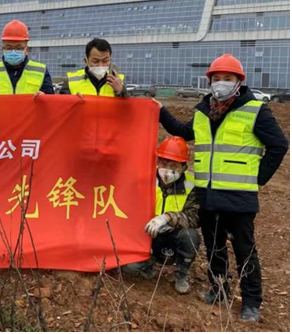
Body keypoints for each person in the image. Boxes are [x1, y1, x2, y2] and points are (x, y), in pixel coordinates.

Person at [156, 53, 288, 322]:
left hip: (239, 196)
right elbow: (183, 131)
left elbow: (279, 145)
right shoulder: (203, 111)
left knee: (244, 250)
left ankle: (251, 302)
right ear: (210, 81)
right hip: (207, 194)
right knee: (214, 248)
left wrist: (258, 178)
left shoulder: (255, 110)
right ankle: (219, 291)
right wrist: (160, 111)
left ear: (239, 81)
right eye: (216, 78)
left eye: (227, 78)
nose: (221, 83)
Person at [122, 136, 200, 294]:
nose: (167, 170)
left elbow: (194, 217)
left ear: (183, 167)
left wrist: (167, 218)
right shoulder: (146, 180)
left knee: (190, 236)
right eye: (164, 163)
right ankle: (148, 262)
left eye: (174, 166)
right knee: (129, 268)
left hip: (174, 235)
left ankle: (181, 275)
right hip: (147, 234)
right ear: (157, 162)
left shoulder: (191, 185)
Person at [0, 20, 54, 97]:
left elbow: (51, 99)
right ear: (3, 49)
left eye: (18, 48)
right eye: (9, 48)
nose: (13, 52)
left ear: (26, 50)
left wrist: (44, 96)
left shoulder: (41, 70)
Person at [60, 38, 127, 97]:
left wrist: (121, 90)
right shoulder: (71, 81)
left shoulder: (119, 80)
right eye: (95, 61)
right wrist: (73, 100)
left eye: (105, 61)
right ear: (86, 61)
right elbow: (62, 104)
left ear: (110, 60)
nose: (100, 65)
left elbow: (129, 105)